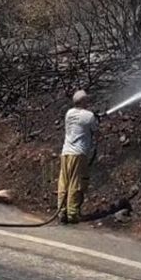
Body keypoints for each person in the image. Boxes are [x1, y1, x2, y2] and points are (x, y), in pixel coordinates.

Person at [57, 89, 99, 224]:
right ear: (83, 101)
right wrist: (97, 119)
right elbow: (96, 130)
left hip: (66, 153)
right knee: (76, 184)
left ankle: (61, 212)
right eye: (87, 100)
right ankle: (72, 214)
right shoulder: (89, 116)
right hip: (79, 154)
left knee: (64, 183)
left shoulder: (69, 113)